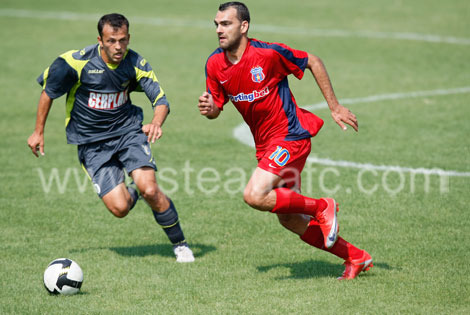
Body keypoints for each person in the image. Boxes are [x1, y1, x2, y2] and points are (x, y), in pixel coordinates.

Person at [198, 2, 372, 279]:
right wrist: (210, 109)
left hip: (290, 136)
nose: (219, 29)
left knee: (254, 195)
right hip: (266, 146)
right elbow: (216, 108)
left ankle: (322, 206)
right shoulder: (214, 63)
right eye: (217, 24)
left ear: (244, 27)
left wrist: (335, 106)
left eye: (226, 24)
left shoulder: (268, 54)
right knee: (290, 218)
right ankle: (355, 257)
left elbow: (312, 60)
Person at [28, 13, 194, 263]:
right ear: (100, 40)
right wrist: (38, 130)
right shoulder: (74, 63)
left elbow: (161, 100)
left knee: (150, 188)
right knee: (120, 209)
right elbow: (48, 92)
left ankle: (180, 245)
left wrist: (156, 122)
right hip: (92, 144)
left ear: (129, 38)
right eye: (112, 41)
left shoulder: (135, 62)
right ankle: (133, 190)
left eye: (123, 40)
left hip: (128, 133)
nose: (118, 47)